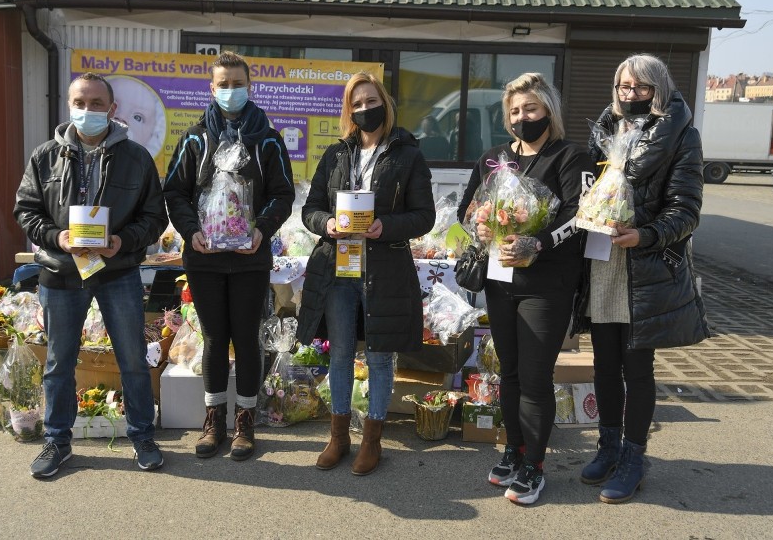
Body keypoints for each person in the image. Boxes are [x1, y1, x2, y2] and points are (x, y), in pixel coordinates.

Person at [14, 72, 169, 478]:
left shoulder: (136, 158)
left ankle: (142, 436)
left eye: (97, 104)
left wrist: (124, 241)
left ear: (112, 109)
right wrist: (56, 236)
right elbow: (26, 211)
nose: (88, 111)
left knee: (133, 359)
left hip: (117, 271)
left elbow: (155, 217)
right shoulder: (44, 155)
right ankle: (57, 442)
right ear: (68, 105)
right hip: (61, 273)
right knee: (59, 362)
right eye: (80, 103)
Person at [574, 54, 708, 504]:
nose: (631, 95)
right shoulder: (604, 131)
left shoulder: (682, 137)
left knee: (637, 368)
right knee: (604, 365)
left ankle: (634, 456)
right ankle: (608, 445)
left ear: (660, 89)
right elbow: (586, 188)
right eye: (624, 87)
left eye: (641, 88)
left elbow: (686, 211)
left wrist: (645, 235)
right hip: (600, 262)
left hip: (642, 266)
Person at [457, 73, 595, 504]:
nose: (522, 118)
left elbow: (582, 216)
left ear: (549, 110)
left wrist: (540, 241)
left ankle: (535, 465)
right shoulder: (494, 158)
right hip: (501, 283)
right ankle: (514, 450)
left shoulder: (572, 157)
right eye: (515, 112)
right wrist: (481, 226)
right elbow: (469, 209)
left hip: (546, 286)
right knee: (509, 373)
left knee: (535, 378)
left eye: (531, 109)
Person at [297, 72, 435, 476]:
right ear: (348, 110)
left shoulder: (407, 154)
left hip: (385, 268)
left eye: (371, 101)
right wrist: (327, 225)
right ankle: (339, 436)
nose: (364, 110)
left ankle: (371, 440)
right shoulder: (337, 154)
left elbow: (423, 216)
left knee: (378, 357)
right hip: (339, 268)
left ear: (385, 104)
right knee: (339, 355)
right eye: (356, 104)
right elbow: (311, 209)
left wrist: (384, 227)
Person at [162, 52, 294, 461]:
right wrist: (192, 231)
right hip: (204, 257)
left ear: (249, 86)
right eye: (223, 84)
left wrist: (261, 229)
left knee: (248, 338)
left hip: (250, 256)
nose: (230, 91)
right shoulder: (195, 137)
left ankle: (246, 422)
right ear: (211, 88)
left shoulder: (267, 138)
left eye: (237, 83)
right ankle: (214, 420)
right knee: (215, 339)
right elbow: (174, 192)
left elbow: (283, 194)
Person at [108, 75, 167, 161]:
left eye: (138, 117)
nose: (121, 117)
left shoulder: (143, 166)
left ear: (151, 136)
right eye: (112, 107)